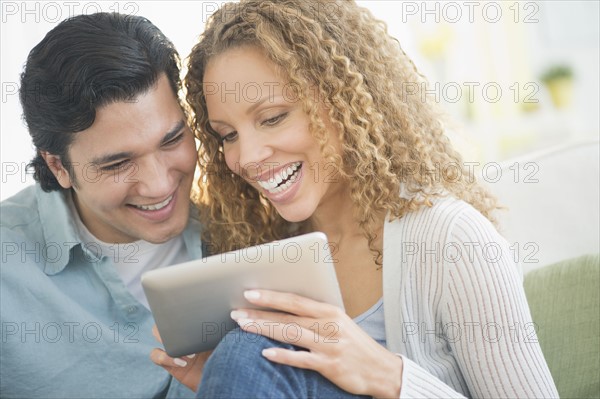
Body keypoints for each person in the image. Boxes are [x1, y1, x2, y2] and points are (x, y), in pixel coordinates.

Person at [153, 1, 560, 398]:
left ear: (344, 99)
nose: (248, 157)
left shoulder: (451, 239)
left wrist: (392, 378)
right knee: (245, 350)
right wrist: (235, 380)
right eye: (228, 135)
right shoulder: (263, 250)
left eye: (273, 117)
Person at [0, 12, 202, 397]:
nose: (160, 184)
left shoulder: (246, 223)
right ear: (58, 165)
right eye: (118, 164)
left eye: (172, 140)